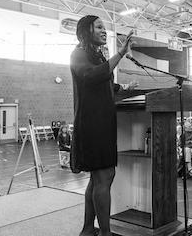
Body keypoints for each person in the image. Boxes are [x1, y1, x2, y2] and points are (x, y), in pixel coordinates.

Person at [70, 15, 137, 236]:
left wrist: (125, 86)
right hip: (92, 123)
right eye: (99, 26)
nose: (104, 30)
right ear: (86, 30)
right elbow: (90, 76)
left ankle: (88, 229)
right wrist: (120, 54)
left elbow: (105, 81)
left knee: (98, 178)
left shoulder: (97, 55)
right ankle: (105, 234)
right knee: (105, 176)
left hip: (103, 121)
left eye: (104, 27)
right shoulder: (78, 54)